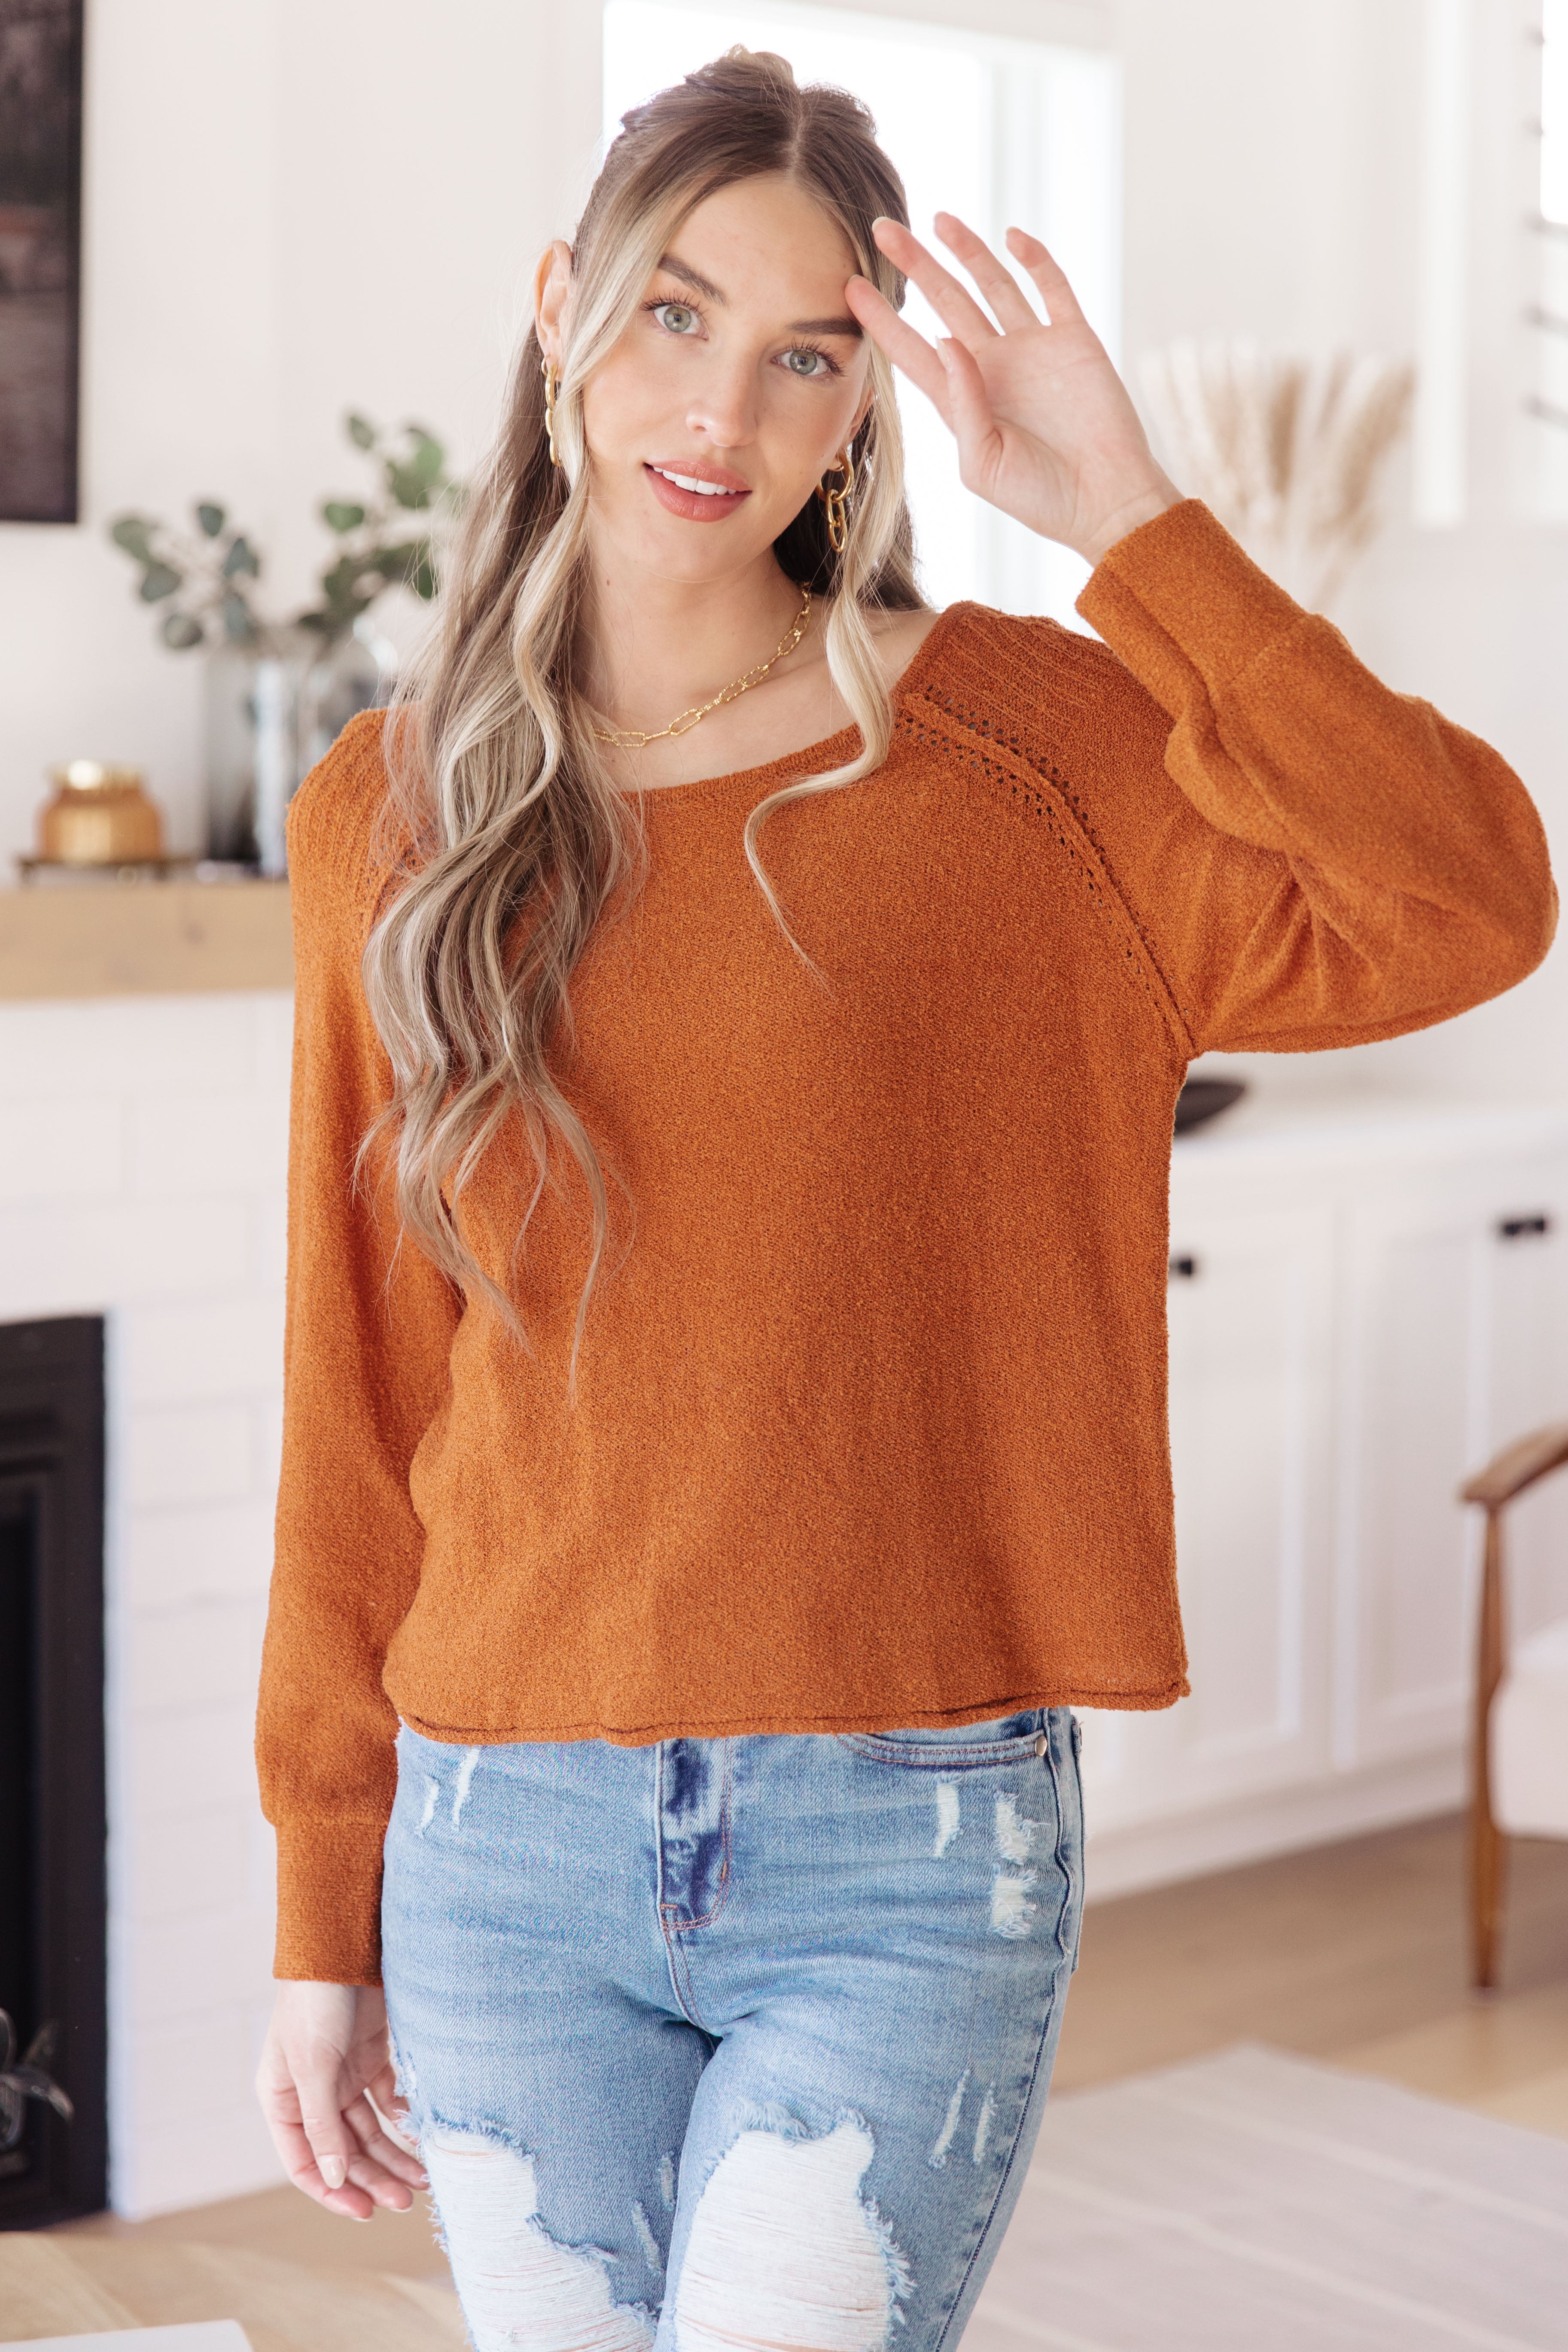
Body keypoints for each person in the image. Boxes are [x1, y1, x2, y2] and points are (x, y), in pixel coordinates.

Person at [253, 47, 1554, 2352]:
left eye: (806, 356)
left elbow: (1463, 894)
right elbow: (359, 1393)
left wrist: (1131, 512)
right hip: (497, 1842)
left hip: (901, 1846)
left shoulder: (1016, 751)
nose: (721, 409)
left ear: (865, 404)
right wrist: (317, 1905)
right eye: (671, 310)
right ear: (559, 303)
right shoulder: (389, 809)